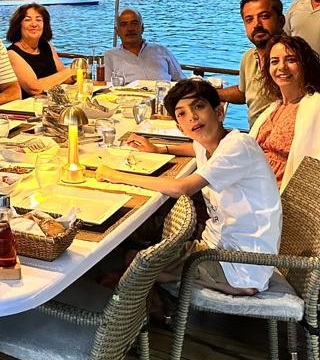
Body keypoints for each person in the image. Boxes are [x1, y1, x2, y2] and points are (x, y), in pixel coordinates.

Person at [97, 79, 280, 295]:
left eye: (199, 106)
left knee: (134, 263)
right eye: (182, 114)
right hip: (215, 248)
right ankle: (153, 307)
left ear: (219, 112)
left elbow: (181, 188)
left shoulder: (238, 146)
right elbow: (192, 148)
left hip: (241, 265)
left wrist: (117, 176)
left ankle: (146, 315)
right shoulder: (209, 143)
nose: (192, 116)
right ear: (179, 127)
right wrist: (160, 150)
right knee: (135, 254)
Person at [218, 0, 320, 127]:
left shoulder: (302, 59)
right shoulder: (248, 58)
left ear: (281, 21)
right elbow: (244, 93)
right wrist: (211, 93)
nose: (257, 24)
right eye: (249, 20)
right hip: (257, 142)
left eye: (264, 16)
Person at [249, 34, 320, 191]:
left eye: (291, 60)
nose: (282, 67)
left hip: (288, 199)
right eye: (275, 61)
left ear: (305, 65)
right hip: (254, 192)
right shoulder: (273, 109)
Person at [5, 3, 74, 95]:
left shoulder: (46, 45)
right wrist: (70, 71)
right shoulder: (12, 53)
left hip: (51, 102)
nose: (34, 24)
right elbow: (34, 88)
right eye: (28, 20)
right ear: (18, 25)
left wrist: (76, 75)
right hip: (26, 106)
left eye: (38, 20)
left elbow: (63, 76)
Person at [103, 8, 184, 83]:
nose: (130, 28)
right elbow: (106, 88)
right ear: (117, 31)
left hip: (164, 96)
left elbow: (181, 80)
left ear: (142, 28)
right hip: (128, 97)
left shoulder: (161, 50)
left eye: (134, 23)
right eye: (124, 24)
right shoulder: (110, 56)